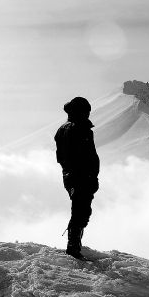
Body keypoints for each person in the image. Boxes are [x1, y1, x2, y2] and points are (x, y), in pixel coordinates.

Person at [54, 96, 100, 260]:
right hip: (81, 176)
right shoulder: (79, 129)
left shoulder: (63, 129)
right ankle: (73, 248)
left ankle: (74, 246)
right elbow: (87, 156)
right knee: (81, 211)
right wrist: (89, 176)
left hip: (72, 176)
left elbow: (61, 157)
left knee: (80, 210)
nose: (88, 114)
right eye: (86, 111)